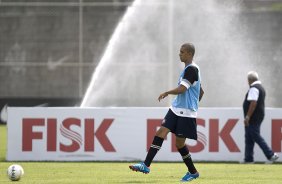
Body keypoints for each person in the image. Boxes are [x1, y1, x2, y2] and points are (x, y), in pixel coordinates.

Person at [129, 43, 204, 182]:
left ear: (189, 54)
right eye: (179, 51)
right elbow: (201, 91)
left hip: (186, 113)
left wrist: (167, 93)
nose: (179, 54)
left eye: (182, 52)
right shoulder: (189, 69)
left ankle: (193, 172)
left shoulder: (192, 69)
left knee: (179, 144)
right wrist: (194, 100)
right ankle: (146, 165)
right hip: (176, 109)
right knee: (160, 132)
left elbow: (182, 89)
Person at [242, 71, 279, 163]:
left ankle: (271, 154)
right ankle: (248, 159)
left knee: (255, 136)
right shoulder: (260, 87)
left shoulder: (254, 88)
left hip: (253, 117)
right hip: (257, 116)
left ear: (250, 80)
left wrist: (247, 117)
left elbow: (253, 103)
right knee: (249, 137)